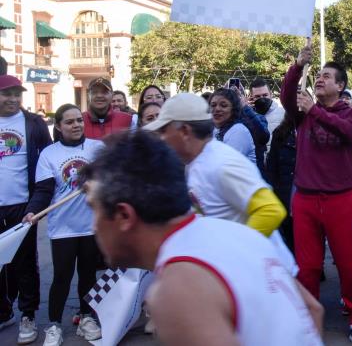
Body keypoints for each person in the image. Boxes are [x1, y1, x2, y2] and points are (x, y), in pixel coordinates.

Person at [79, 130, 323, 346]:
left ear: (123, 216)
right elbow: (313, 310)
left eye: (94, 208)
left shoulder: (176, 289)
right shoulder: (238, 232)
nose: (93, 227)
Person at [280, 44, 352, 345]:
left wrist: (315, 110)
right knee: (308, 267)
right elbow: (286, 96)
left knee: (347, 263)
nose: (319, 79)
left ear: (341, 86)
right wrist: (298, 67)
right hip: (305, 200)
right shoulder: (302, 112)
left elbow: (348, 133)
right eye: (317, 75)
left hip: (340, 200)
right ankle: (308, 316)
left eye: (327, 76)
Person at [144, 93, 285, 238]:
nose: (161, 138)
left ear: (185, 131)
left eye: (163, 131)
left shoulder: (221, 163)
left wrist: (234, 252)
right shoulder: (196, 163)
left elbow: (270, 210)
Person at [26, 104, 103, 346]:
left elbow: (110, 180)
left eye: (79, 120)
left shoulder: (97, 148)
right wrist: (32, 211)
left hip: (92, 226)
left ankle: (86, 317)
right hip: (63, 229)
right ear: (58, 126)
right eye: (69, 122)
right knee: (61, 276)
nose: (76, 125)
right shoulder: (49, 154)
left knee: (88, 275)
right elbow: (43, 190)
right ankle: (55, 324)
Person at [0, 75, 52, 344]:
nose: (12, 99)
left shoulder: (34, 123)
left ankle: (28, 315)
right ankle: (4, 310)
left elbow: (48, 161)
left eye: (16, 93)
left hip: (23, 206)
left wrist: (38, 204)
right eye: (6, 93)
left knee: (25, 263)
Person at [212, 87, 269, 173]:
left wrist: (245, 108)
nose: (217, 109)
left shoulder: (238, 130)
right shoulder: (215, 129)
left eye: (223, 105)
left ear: (234, 108)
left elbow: (225, 169)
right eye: (213, 105)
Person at [265, 112, 297, 252]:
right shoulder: (281, 133)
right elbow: (272, 166)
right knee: (290, 241)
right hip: (285, 195)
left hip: (309, 196)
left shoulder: (316, 131)